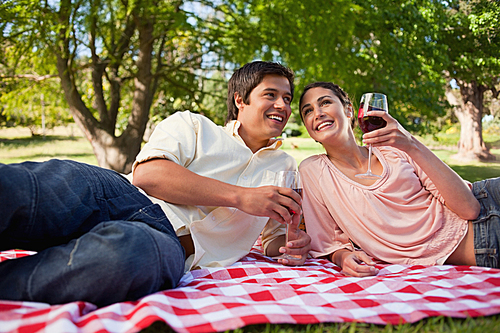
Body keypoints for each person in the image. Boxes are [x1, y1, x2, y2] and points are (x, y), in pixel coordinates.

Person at [0, 61, 311, 307]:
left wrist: (289, 247)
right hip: (120, 197)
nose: (282, 105)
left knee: (126, 259)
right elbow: (149, 176)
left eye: (287, 98)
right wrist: (241, 197)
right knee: (36, 188)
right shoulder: (194, 125)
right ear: (240, 100)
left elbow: (275, 237)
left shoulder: (284, 167)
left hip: (168, 243)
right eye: (270, 95)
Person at [298, 81, 499, 277]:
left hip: (488, 197)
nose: (318, 113)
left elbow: (469, 207)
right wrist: (342, 257)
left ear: (350, 110)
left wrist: (411, 144)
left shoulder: (395, 149)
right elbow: (329, 240)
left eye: (325, 102)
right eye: (308, 111)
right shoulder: (313, 171)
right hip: (485, 240)